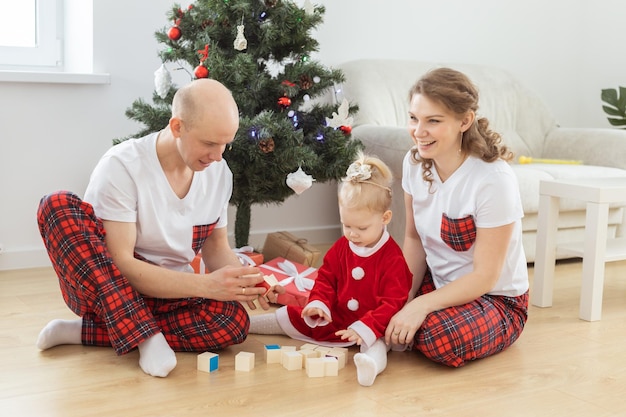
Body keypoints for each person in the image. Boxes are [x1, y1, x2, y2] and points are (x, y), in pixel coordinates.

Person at [35, 79, 282, 378]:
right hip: (107, 290)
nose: (218, 156)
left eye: (225, 144)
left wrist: (248, 282)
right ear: (177, 127)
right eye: (209, 143)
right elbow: (121, 265)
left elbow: (216, 248)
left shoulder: (218, 173)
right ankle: (145, 337)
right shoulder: (122, 165)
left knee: (233, 322)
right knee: (56, 205)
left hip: (170, 293)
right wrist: (208, 285)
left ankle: (85, 333)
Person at [384, 68, 529, 367]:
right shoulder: (413, 163)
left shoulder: (493, 179)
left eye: (433, 121)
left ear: (464, 121)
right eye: (414, 118)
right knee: (371, 296)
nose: (418, 131)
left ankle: (417, 324)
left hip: (495, 300)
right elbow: (412, 238)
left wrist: (420, 306)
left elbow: (484, 276)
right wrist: (403, 299)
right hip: (438, 284)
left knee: (437, 335)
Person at [249, 152, 413, 386]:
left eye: (362, 227)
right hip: (338, 316)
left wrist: (366, 327)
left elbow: (393, 302)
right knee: (295, 315)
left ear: (385, 218)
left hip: (374, 321)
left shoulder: (393, 258)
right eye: (346, 225)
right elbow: (325, 279)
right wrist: (319, 304)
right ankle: (249, 325)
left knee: (377, 343)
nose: (352, 234)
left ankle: (371, 366)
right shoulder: (341, 247)